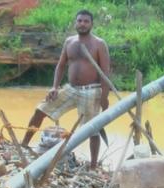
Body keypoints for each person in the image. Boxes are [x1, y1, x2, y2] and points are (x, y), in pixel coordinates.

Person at [21, 9, 110, 170]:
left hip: (91, 91)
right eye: (80, 21)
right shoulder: (69, 42)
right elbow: (61, 65)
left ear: (91, 24)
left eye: (86, 21)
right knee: (41, 110)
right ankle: (23, 145)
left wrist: (104, 96)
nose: (82, 24)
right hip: (71, 89)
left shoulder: (99, 44)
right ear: (75, 23)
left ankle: (93, 165)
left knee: (93, 129)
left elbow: (105, 72)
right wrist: (55, 87)